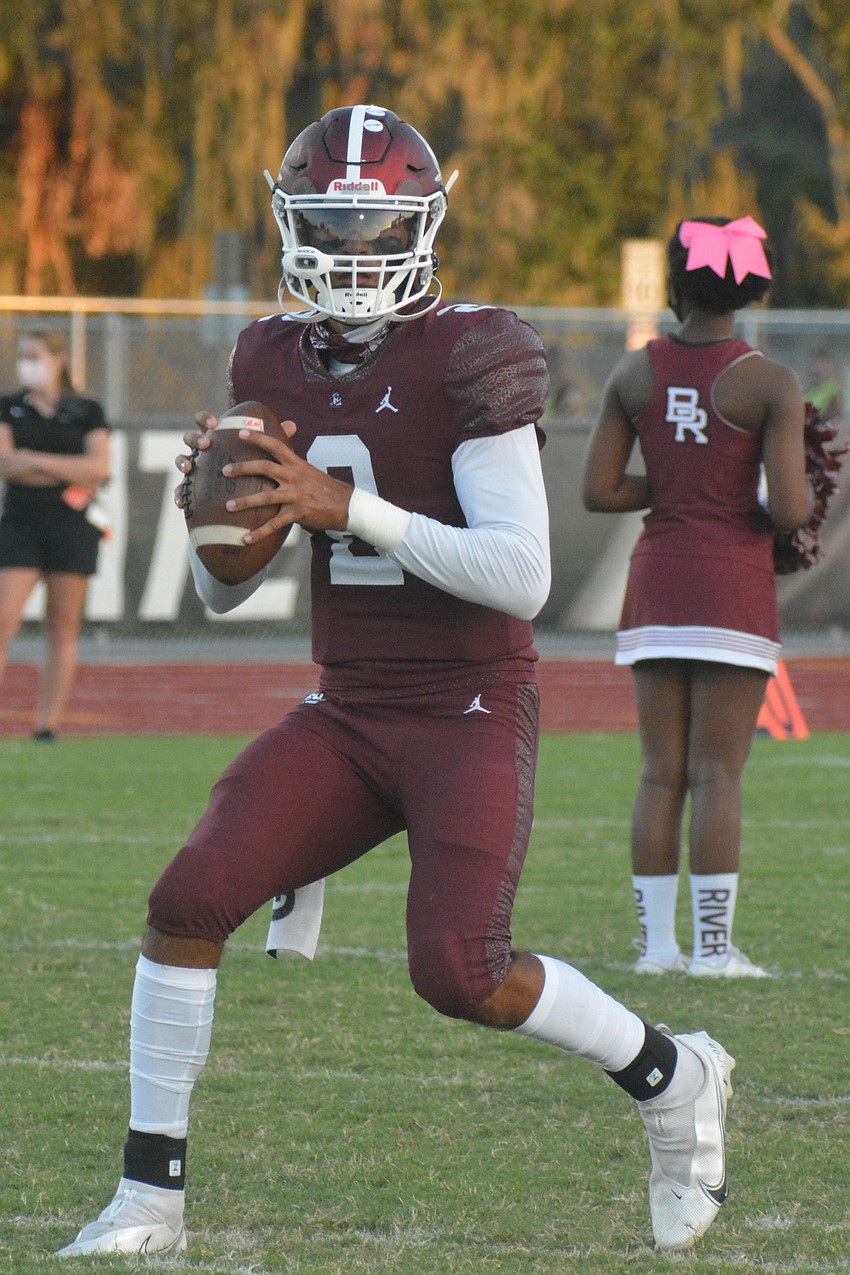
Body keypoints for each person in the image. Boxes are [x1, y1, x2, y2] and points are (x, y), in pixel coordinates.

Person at [57, 106, 733, 1260]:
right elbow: (224, 598)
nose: (354, 244)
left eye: (377, 222)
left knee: (458, 972)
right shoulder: (266, 354)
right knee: (187, 900)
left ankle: (674, 1077)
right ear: (289, 221)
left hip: (467, 703)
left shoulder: (471, 352)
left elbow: (519, 577)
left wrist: (344, 507)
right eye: (331, 219)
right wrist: (221, 520)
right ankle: (149, 1203)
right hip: (350, 703)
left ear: (423, 225)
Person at [582, 216, 813, 978]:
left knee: (659, 773)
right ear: (752, 286)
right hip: (732, 587)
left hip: (657, 583)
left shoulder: (632, 374)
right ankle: (714, 951)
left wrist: (680, 483)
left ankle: (656, 950)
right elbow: (788, 510)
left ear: (678, 282)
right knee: (719, 773)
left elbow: (601, 488)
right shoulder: (770, 382)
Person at [0, 329, 110, 740]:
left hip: (70, 525)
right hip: (19, 522)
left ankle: (48, 725)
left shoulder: (86, 410)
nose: (26, 363)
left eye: (35, 356)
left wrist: (33, 460)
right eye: (23, 356)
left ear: (59, 360)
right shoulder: (9, 406)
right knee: (3, 621)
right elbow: (6, 462)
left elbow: (98, 468)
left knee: (62, 628)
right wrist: (67, 465)